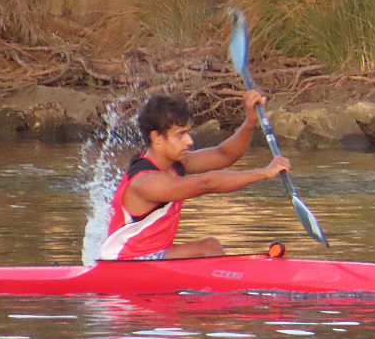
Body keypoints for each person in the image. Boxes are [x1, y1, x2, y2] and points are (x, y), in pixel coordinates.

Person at [99, 90, 291, 261]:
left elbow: (224, 155)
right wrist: (263, 172)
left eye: (188, 133)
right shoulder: (145, 182)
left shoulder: (175, 164)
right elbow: (206, 183)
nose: (189, 141)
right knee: (209, 248)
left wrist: (249, 122)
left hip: (154, 254)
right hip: (126, 264)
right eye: (180, 135)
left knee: (209, 247)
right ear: (156, 137)